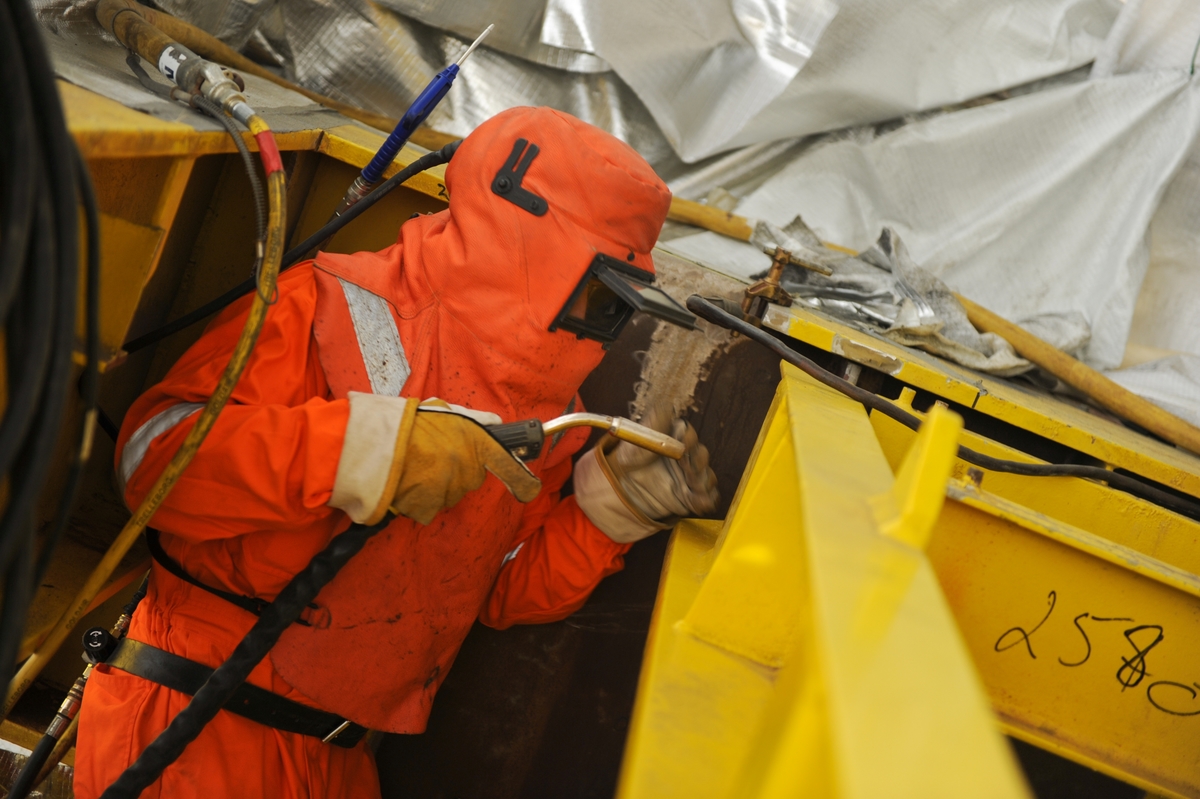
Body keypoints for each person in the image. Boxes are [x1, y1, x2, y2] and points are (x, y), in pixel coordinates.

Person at [75, 106, 718, 798]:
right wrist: (360, 450)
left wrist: (603, 517)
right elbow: (152, 463)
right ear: (528, 246)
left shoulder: (549, 412)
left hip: (341, 760)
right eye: (598, 292)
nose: (603, 321)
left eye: (615, 303)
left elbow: (482, 587)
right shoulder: (323, 307)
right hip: (196, 726)